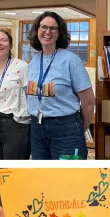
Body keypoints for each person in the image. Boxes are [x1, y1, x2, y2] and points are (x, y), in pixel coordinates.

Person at [27, 11, 95, 160]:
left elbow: (89, 102)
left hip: (65, 128)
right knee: (43, 177)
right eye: (43, 27)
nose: (47, 32)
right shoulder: (33, 61)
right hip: (37, 127)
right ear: (37, 30)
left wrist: (78, 130)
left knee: (67, 178)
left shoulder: (71, 60)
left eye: (53, 28)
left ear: (60, 33)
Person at [0, 30, 31, 160]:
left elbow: (30, 97)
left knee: (14, 168)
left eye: (3, 40)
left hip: (16, 123)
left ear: (10, 45)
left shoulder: (22, 66)